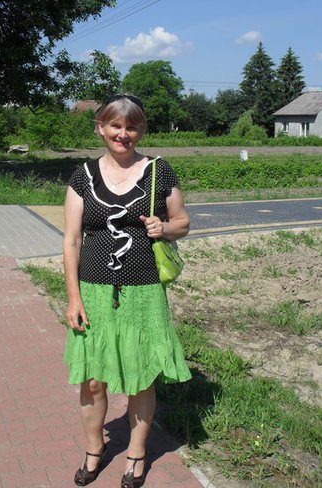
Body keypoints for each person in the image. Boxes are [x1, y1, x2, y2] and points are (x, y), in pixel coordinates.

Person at [63, 94, 192, 487]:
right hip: (94, 291)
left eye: (131, 126)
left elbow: (183, 222)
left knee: (141, 376)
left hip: (144, 292)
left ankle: (136, 453)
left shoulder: (158, 172)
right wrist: (73, 297)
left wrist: (164, 228)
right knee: (92, 378)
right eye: (115, 125)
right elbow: (71, 240)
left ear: (141, 130)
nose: (123, 134)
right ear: (101, 127)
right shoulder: (83, 176)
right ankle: (94, 449)